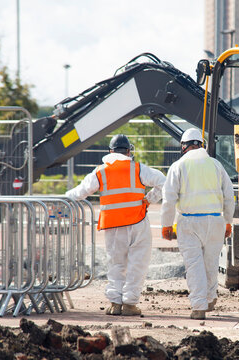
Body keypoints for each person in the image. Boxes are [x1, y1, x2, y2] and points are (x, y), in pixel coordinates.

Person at [65, 134, 165, 316]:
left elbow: (79, 193)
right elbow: (164, 183)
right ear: (128, 151)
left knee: (116, 264)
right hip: (137, 222)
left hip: (113, 225)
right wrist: (149, 199)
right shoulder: (138, 168)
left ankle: (115, 303)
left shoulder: (100, 171)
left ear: (110, 151)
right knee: (137, 264)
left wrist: (60, 200)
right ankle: (130, 304)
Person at [161, 128, 235, 320]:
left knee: (194, 265)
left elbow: (168, 199)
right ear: (202, 145)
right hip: (215, 221)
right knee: (210, 263)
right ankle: (210, 298)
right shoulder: (216, 165)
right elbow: (229, 196)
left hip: (189, 221)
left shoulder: (178, 166)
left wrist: (166, 225)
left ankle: (199, 307)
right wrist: (228, 221)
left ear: (183, 146)